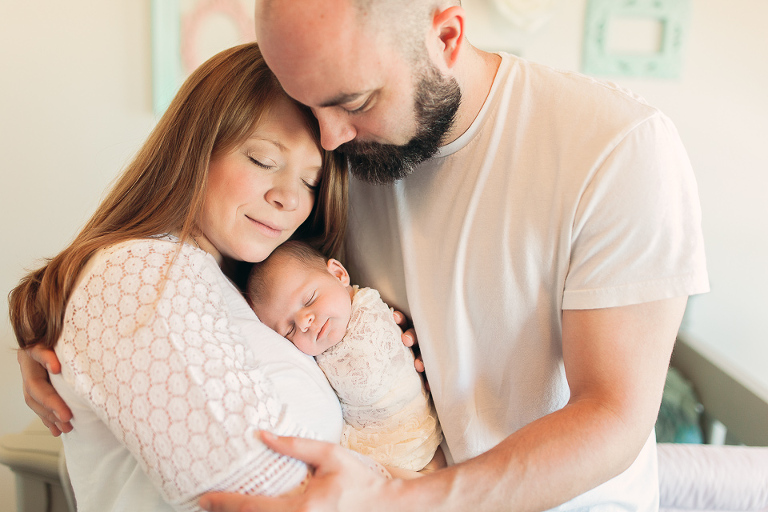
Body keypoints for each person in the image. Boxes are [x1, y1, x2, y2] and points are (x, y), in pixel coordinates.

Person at [18, 1, 709, 511]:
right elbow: (196, 259)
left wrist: (406, 501)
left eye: (353, 102)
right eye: (309, 104)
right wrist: (52, 315)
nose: (328, 137)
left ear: (446, 35)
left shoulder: (615, 149)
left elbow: (613, 416)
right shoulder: (342, 149)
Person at [8, 42, 396, 511]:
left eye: (310, 181)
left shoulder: (242, 286)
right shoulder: (140, 276)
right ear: (194, 149)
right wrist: (431, 484)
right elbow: (261, 493)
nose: (290, 198)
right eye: (263, 160)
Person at [246, 240, 444, 473]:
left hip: (424, 421)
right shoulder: (316, 362)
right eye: (290, 329)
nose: (304, 322)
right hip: (376, 452)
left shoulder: (368, 304)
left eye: (310, 299)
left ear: (339, 275)